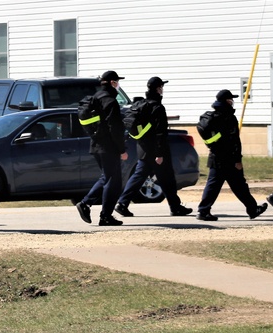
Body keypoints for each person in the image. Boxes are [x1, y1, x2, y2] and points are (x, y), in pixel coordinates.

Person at [115, 77, 193, 218]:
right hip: (156, 151)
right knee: (166, 178)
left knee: (146, 177)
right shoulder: (157, 107)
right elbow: (160, 133)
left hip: (143, 148)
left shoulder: (140, 105)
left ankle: (123, 203)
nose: (162, 89)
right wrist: (160, 153)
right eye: (161, 87)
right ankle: (174, 207)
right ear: (158, 89)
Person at [196, 89, 268, 221]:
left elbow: (212, 140)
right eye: (231, 99)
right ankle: (204, 211)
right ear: (227, 101)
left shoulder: (212, 117)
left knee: (219, 185)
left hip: (216, 157)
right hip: (229, 159)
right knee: (238, 185)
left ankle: (251, 209)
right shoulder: (229, 118)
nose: (232, 101)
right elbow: (234, 141)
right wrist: (237, 160)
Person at [76, 70, 128, 227]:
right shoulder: (110, 101)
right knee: (113, 181)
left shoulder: (95, 98)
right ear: (112, 83)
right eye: (117, 81)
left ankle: (99, 211)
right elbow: (115, 128)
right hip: (109, 147)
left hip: (96, 146)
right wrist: (122, 149)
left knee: (107, 178)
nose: (118, 84)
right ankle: (97, 210)